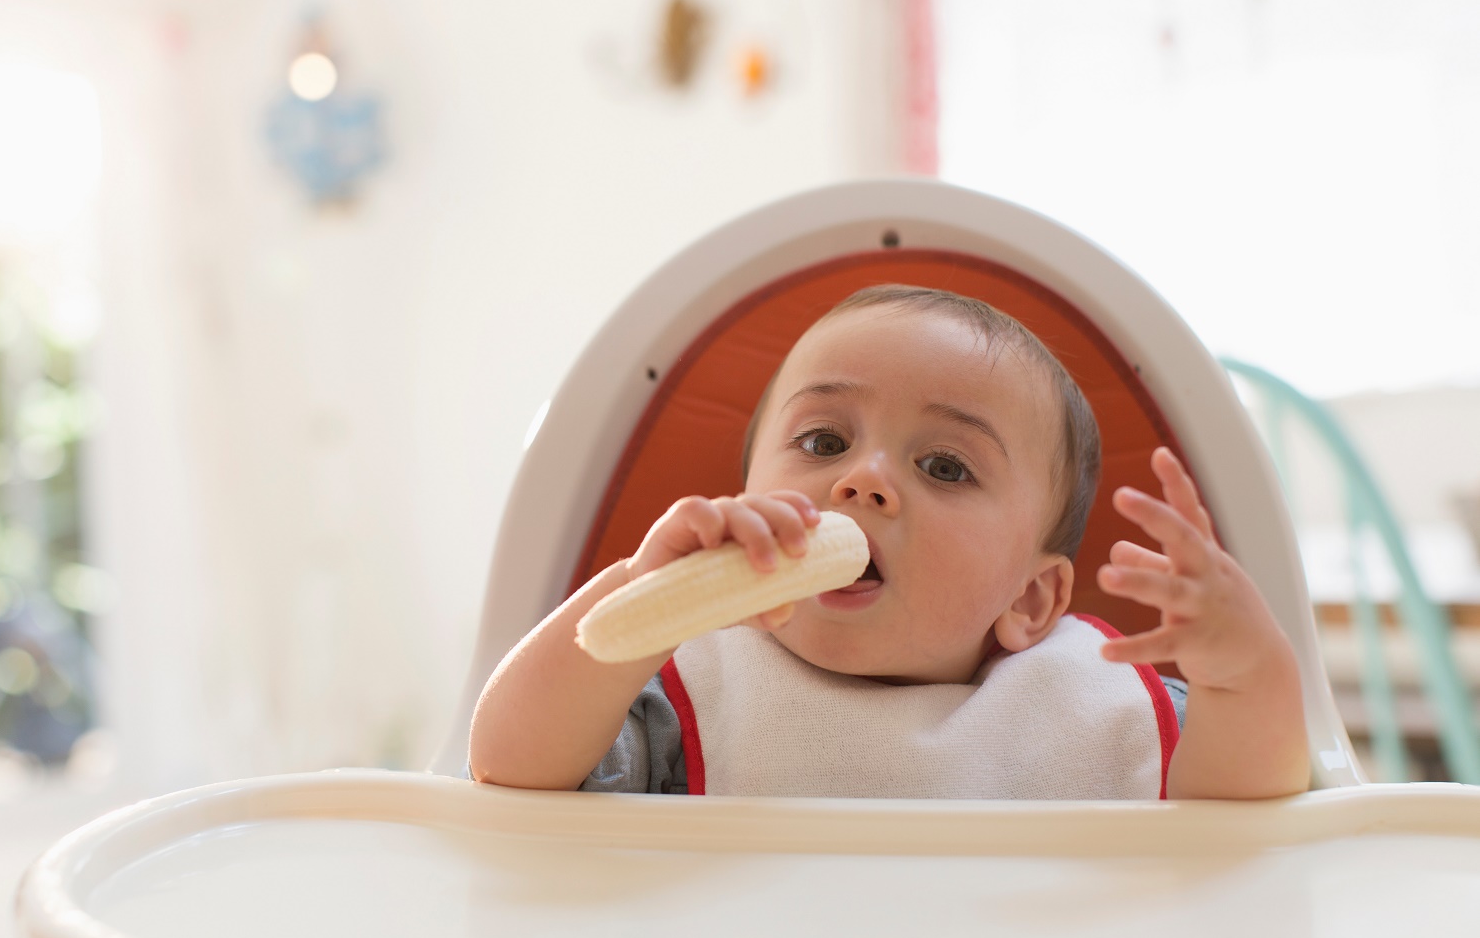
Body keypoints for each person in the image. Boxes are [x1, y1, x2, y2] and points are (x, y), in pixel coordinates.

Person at [469, 285, 1310, 800]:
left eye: (944, 466)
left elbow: (1247, 806)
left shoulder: (1086, 710)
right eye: (824, 442)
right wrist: (637, 597)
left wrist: (1245, 668)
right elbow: (510, 768)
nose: (862, 480)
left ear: (1029, 600)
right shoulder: (687, 696)